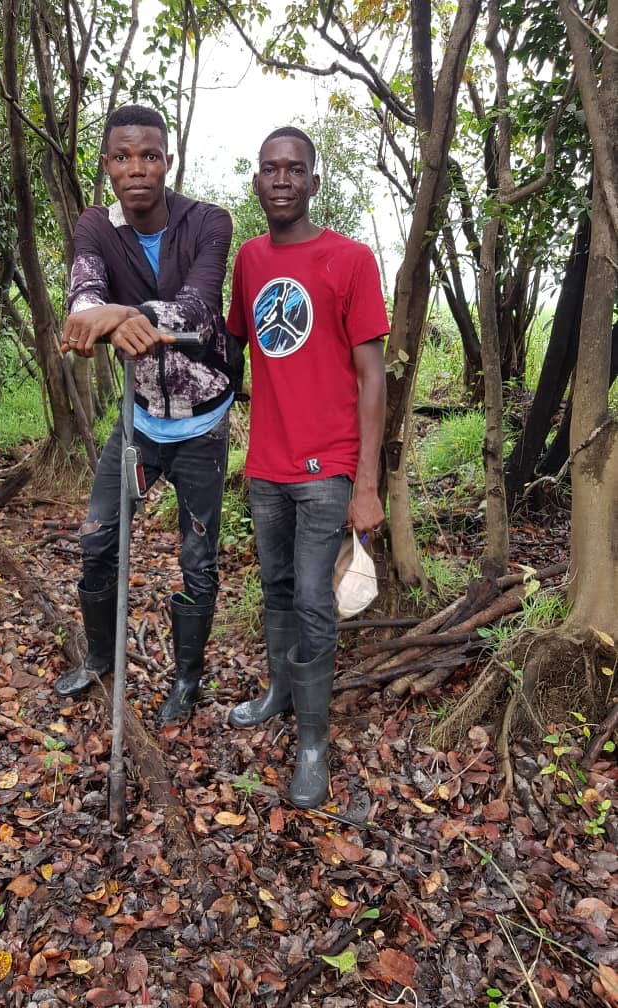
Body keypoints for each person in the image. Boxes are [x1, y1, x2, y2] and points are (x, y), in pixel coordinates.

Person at [56, 104, 237, 725]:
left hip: (201, 426)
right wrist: (103, 316)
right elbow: (82, 304)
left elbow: (197, 309)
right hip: (138, 425)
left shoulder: (209, 221)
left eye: (150, 156)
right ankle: (103, 658)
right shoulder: (95, 227)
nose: (138, 168)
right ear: (107, 165)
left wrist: (117, 316)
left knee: (198, 557)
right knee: (97, 536)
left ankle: (187, 679)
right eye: (123, 156)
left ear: (168, 161)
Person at [225, 126, 388, 809]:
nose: (282, 179)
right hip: (266, 464)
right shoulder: (249, 261)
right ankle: (279, 694)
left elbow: (373, 377)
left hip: (328, 467)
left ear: (314, 182)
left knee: (316, 601)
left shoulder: (349, 260)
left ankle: (314, 743)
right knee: (278, 586)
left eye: (295, 169)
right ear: (257, 183)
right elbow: (230, 348)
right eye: (270, 169)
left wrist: (367, 484)